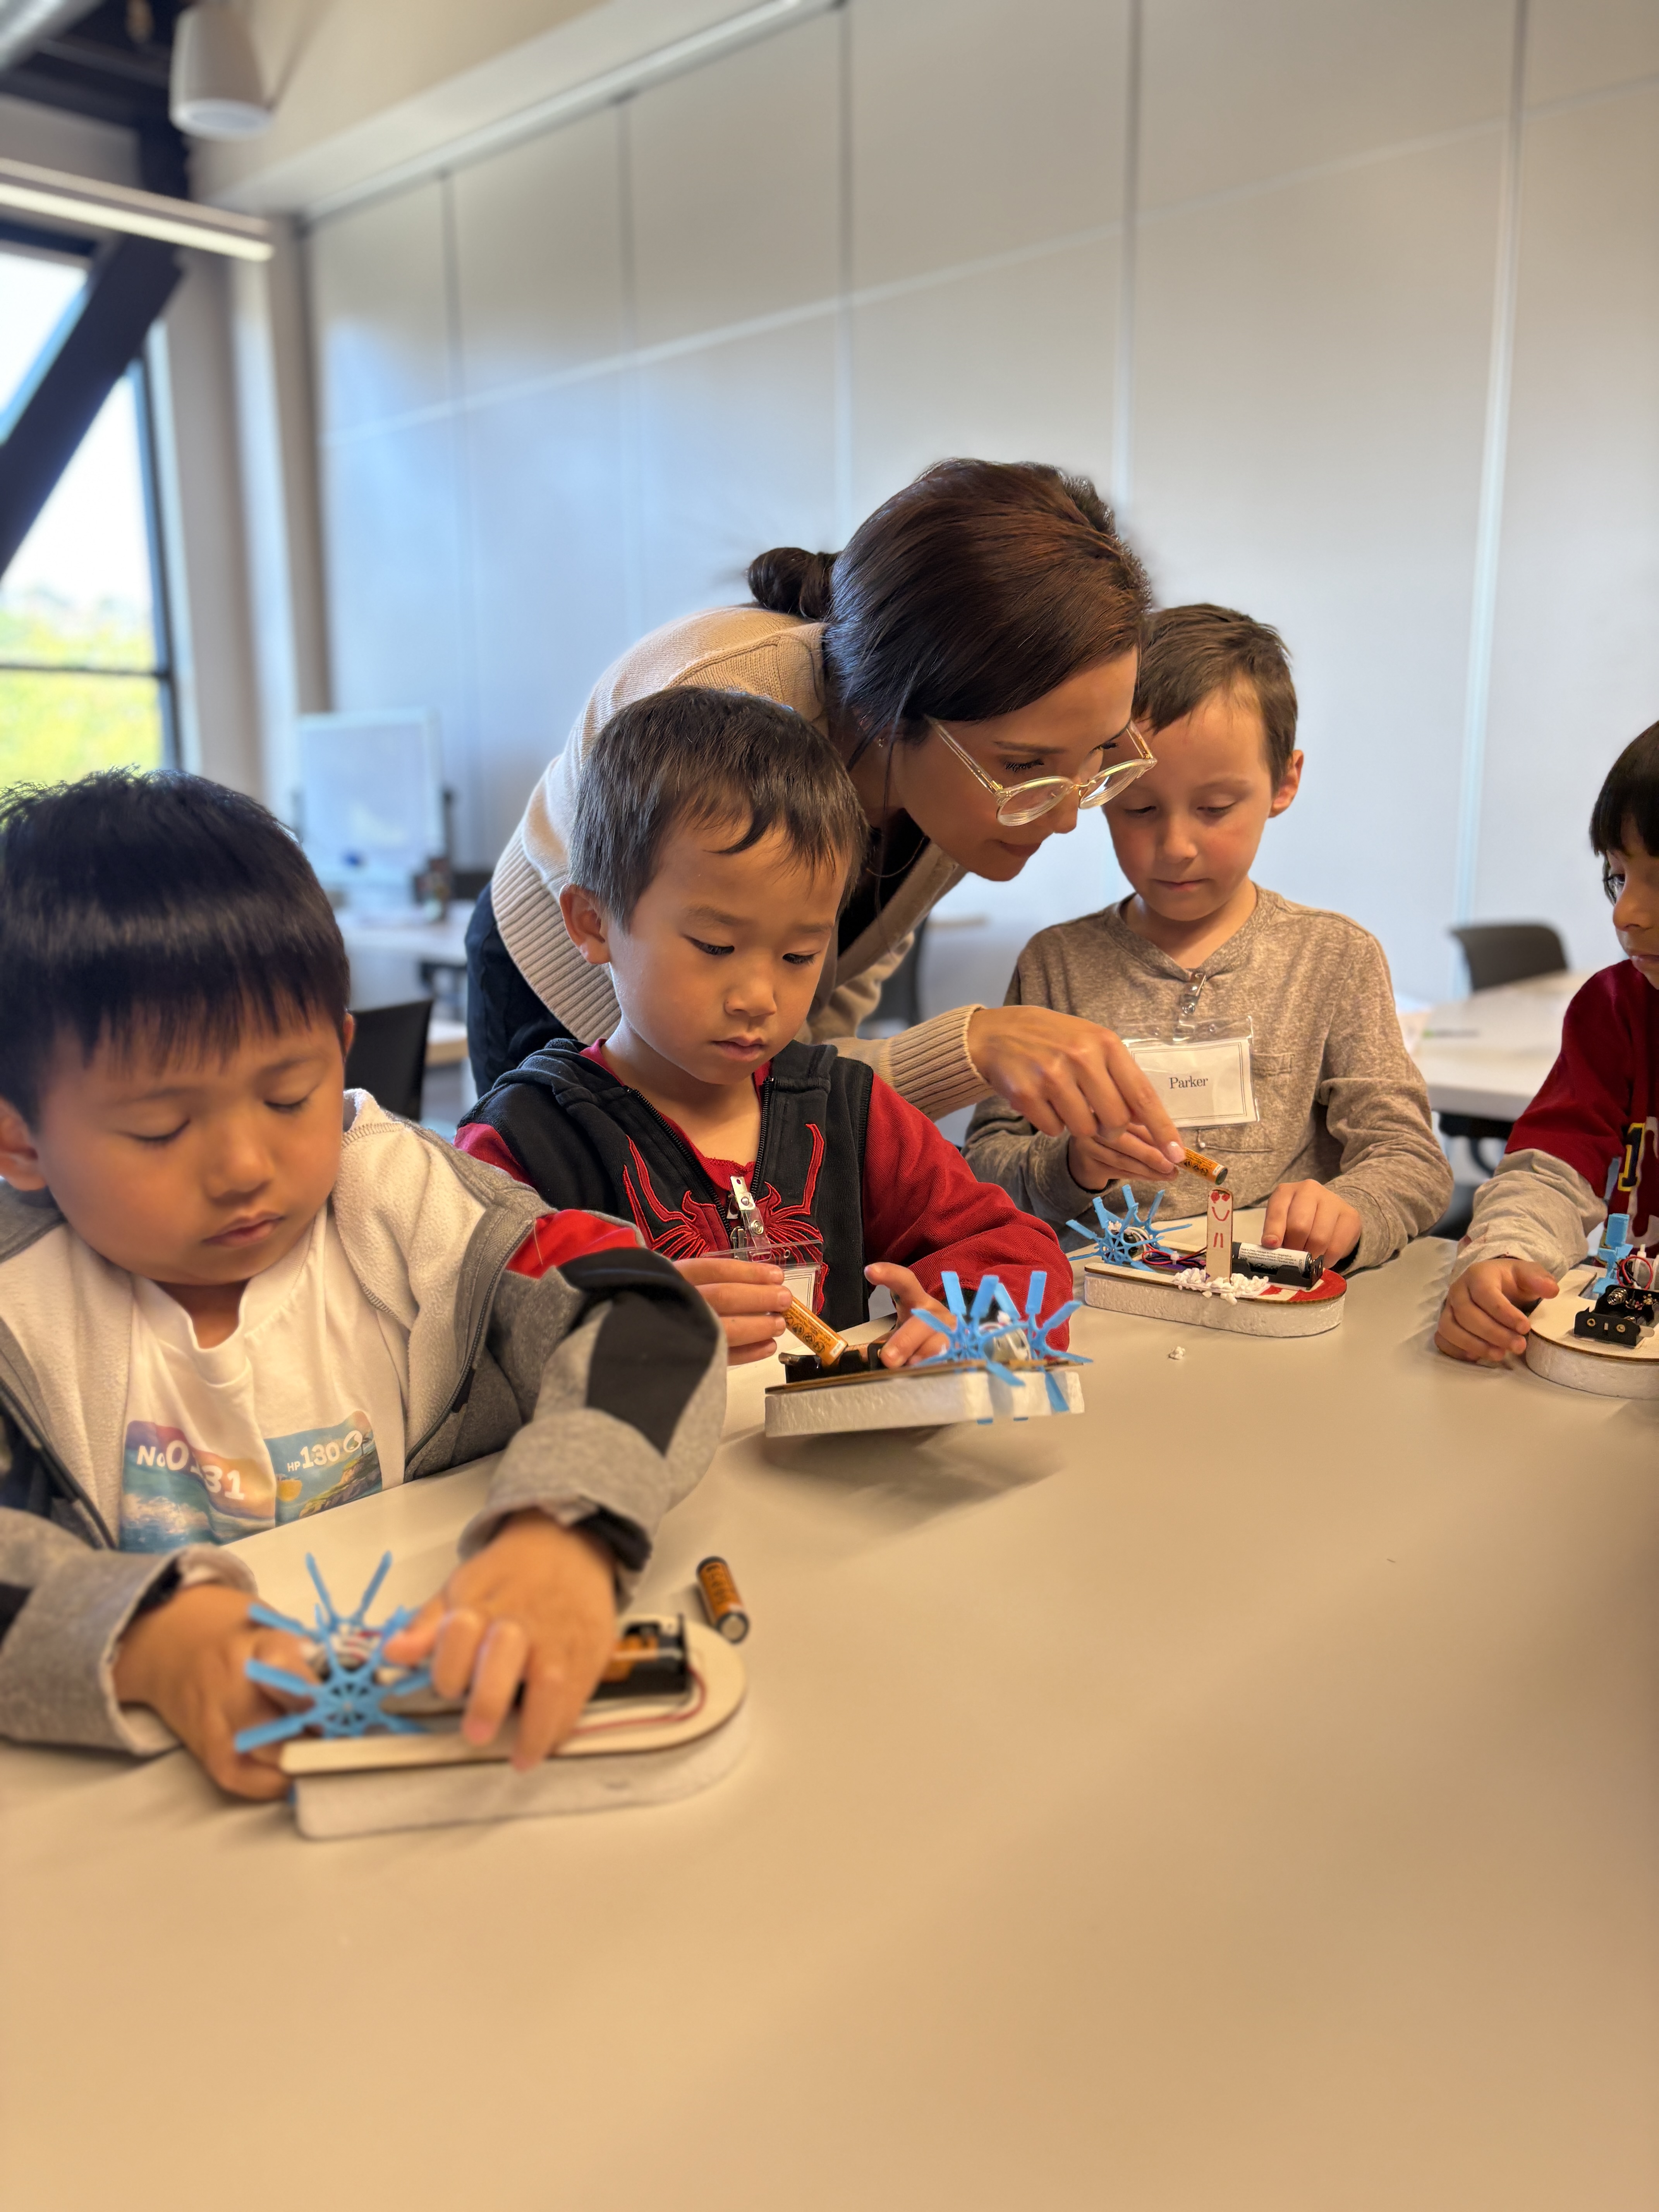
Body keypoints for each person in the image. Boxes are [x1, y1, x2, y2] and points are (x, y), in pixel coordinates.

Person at [0, 772, 722, 1799]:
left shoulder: (399, 1203)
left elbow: (641, 1313)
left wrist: (564, 1525)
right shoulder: (23, 1302)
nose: (246, 1164)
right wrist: (147, 1636)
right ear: (20, 1137)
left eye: (288, 1095)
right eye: (161, 1128)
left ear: (339, 1054)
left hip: (454, 1753)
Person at [470, 456, 1186, 1180]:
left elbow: (820, 1027)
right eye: (1027, 767)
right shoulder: (712, 714)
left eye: (1096, 753)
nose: (1066, 815)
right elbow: (750, 1082)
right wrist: (968, 1049)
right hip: (571, 991)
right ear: (888, 712)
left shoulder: (952, 778)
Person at [456, 689, 1073, 1365]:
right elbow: (467, 1336)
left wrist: (969, 1321)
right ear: (594, 923)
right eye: (715, 947)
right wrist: (622, 1323)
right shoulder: (524, 1140)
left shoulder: (848, 1111)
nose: (758, 998)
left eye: (799, 956)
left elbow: (1016, 1251)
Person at [966, 605, 1451, 1266]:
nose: (1177, 847)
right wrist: (1071, 1166)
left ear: (1284, 783)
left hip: (1271, 1303)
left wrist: (1355, 1209)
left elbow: (1409, 1159)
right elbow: (985, 1167)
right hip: (1103, 1301)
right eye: (1139, 809)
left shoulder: (1333, 957)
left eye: (1215, 809)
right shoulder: (1058, 964)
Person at [1435, 721, 1659, 1363]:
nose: (1625, 913)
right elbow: (1553, 1167)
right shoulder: (1615, 1010)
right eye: (1618, 876)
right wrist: (1505, 1255)